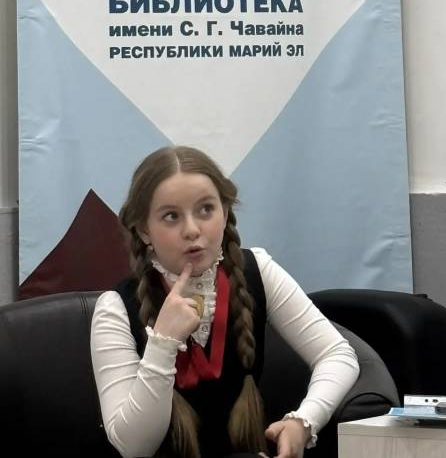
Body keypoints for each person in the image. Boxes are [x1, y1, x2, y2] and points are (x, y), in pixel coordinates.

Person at [90, 145, 360, 458]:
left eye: (206, 209)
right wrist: (162, 344)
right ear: (144, 230)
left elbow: (337, 354)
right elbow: (134, 447)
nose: (192, 230)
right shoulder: (115, 308)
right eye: (171, 216)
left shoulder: (257, 270)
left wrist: (304, 421)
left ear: (225, 211)